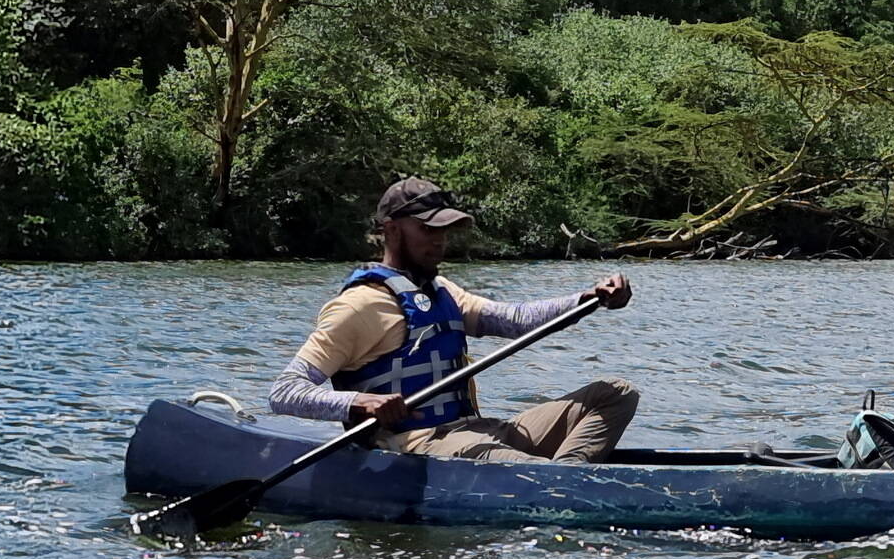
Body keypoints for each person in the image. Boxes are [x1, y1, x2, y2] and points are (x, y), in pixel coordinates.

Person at [269, 176, 640, 462]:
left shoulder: (441, 290)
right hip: (417, 442)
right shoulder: (359, 306)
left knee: (615, 393)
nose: (440, 240)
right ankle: (553, 485)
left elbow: (515, 320)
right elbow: (285, 392)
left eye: (444, 230)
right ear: (393, 230)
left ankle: (565, 481)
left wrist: (589, 299)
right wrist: (358, 402)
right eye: (428, 229)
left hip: (475, 430)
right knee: (519, 465)